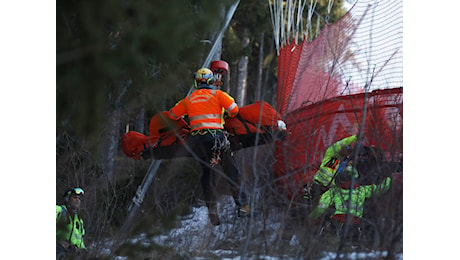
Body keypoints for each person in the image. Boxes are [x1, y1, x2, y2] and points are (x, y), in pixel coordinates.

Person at [168, 68, 249, 225]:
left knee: (207, 174)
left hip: (198, 142)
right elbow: (234, 110)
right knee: (231, 171)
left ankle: (212, 209)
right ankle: (243, 207)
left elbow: (172, 115)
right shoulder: (218, 95)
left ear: (196, 82)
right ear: (211, 81)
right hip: (217, 139)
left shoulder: (189, 99)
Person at [309, 167, 400, 241]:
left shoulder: (333, 191)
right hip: (355, 225)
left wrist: (310, 219)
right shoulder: (362, 190)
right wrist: (389, 178)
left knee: (329, 244)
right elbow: (380, 189)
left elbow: (320, 208)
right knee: (353, 248)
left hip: (336, 224)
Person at [304, 135, 359, 202]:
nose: (347, 151)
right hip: (317, 185)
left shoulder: (345, 162)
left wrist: (349, 168)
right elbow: (339, 145)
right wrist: (355, 137)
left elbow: (353, 175)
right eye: (346, 148)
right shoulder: (330, 154)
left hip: (328, 191)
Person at [56, 187, 87, 259]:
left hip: (71, 255)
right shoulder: (59, 210)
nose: (77, 200)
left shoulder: (79, 221)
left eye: (79, 198)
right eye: (75, 197)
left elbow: (80, 239)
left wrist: (83, 250)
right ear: (67, 199)